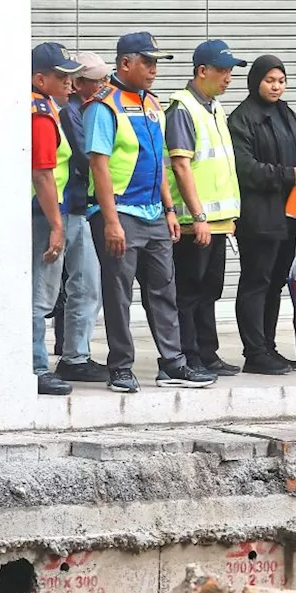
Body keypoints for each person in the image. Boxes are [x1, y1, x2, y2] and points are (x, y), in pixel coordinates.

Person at [83, 32, 216, 392]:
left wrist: (170, 210)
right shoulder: (103, 106)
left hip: (154, 213)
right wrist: (110, 221)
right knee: (118, 292)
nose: (154, 69)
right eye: (148, 62)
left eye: (157, 63)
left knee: (163, 290)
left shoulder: (153, 105)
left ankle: (172, 364)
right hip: (120, 213)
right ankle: (121, 367)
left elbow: (159, 163)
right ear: (125, 63)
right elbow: (99, 165)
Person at [227, 54, 296, 375]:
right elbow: (245, 168)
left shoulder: (286, 113)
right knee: (256, 281)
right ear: (256, 82)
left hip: (289, 214)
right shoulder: (242, 118)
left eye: (280, 81)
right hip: (258, 216)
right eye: (270, 80)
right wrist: (288, 175)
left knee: (276, 282)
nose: (276, 86)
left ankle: (269, 346)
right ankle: (254, 352)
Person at [165, 39, 247, 379]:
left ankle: (207, 353)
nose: (229, 78)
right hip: (192, 221)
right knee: (189, 291)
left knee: (209, 290)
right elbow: (181, 166)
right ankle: (188, 355)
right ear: (202, 71)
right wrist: (197, 216)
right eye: (223, 71)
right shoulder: (182, 108)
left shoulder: (214, 107)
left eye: (231, 71)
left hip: (217, 222)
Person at [50, 51, 108, 382]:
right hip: (68, 208)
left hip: (73, 208)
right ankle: (69, 357)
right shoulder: (71, 113)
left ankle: (73, 354)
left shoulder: (79, 110)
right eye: (98, 80)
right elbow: (87, 158)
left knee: (81, 285)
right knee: (75, 285)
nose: (103, 85)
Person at [29, 42, 81, 397]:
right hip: (42, 214)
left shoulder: (39, 107)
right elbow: (43, 173)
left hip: (37, 211)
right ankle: (35, 367)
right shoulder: (40, 113)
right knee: (39, 296)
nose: (69, 83)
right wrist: (57, 226)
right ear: (39, 79)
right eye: (61, 77)